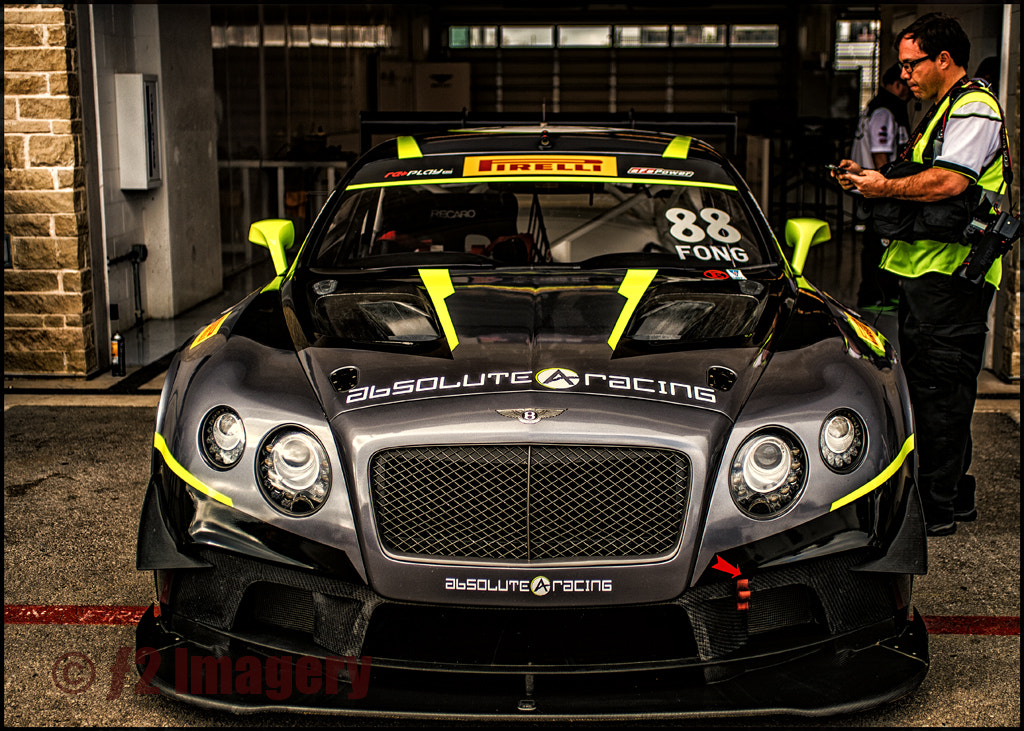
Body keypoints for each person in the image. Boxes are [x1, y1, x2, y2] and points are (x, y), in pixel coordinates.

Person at [834, 13, 1011, 536]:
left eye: (913, 64)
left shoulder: (974, 107)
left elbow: (949, 184)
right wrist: (872, 180)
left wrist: (882, 189)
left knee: (938, 392)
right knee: (940, 389)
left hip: (952, 276)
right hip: (930, 273)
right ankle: (953, 496)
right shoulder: (942, 110)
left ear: (943, 59)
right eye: (902, 64)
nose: (904, 73)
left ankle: (933, 510)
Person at [849, 63, 911, 310]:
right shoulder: (884, 112)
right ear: (897, 84)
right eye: (906, 85)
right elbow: (880, 154)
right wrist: (888, 187)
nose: (909, 90)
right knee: (878, 243)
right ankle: (875, 295)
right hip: (876, 188)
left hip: (875, 186)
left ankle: (885, 292)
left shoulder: (879, 108)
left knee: (882, 240)